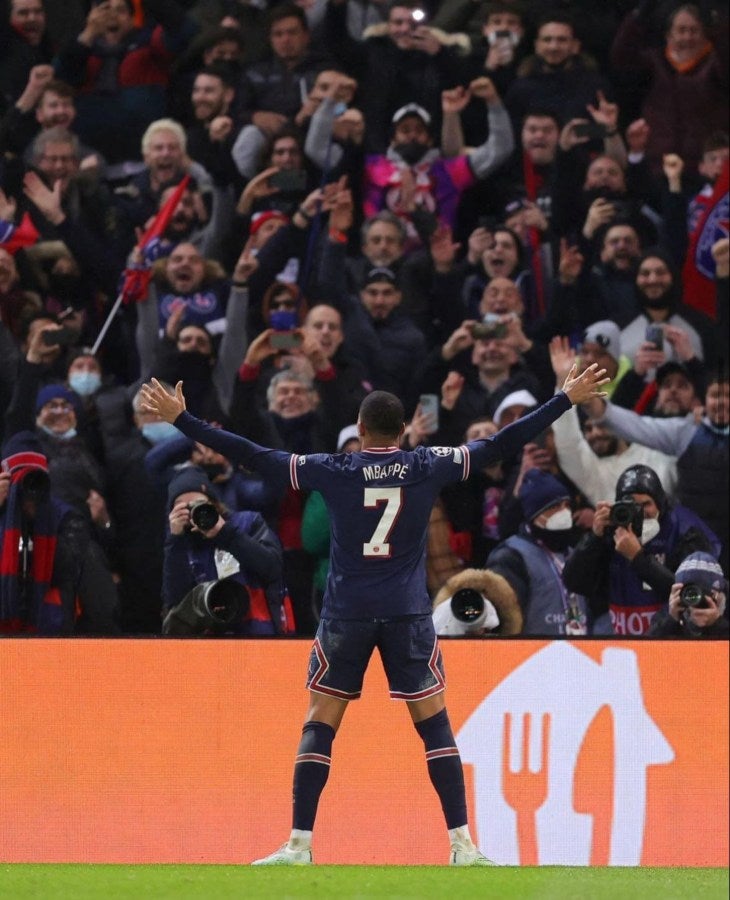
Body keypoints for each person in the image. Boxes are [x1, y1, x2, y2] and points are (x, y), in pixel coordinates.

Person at [139, 357, 609, 865]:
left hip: (346, 613)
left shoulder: (334, 469)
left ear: (360, 431)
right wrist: (563, 399)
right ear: (404, 430)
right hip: (407, 613)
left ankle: (300, 844)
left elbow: (257, 456)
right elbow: (499, 445)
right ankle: (462, 845)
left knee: (321, 721)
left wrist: (183, 421)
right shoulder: (427, 464)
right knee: (433, 725)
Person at [647, 551, 729, 638]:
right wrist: (671, 621)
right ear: (679, 593)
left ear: (720, 595)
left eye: (705, 593)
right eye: (690, 593)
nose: (697, 598)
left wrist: (718, 624)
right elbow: (646, 649)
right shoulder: (667, 614)